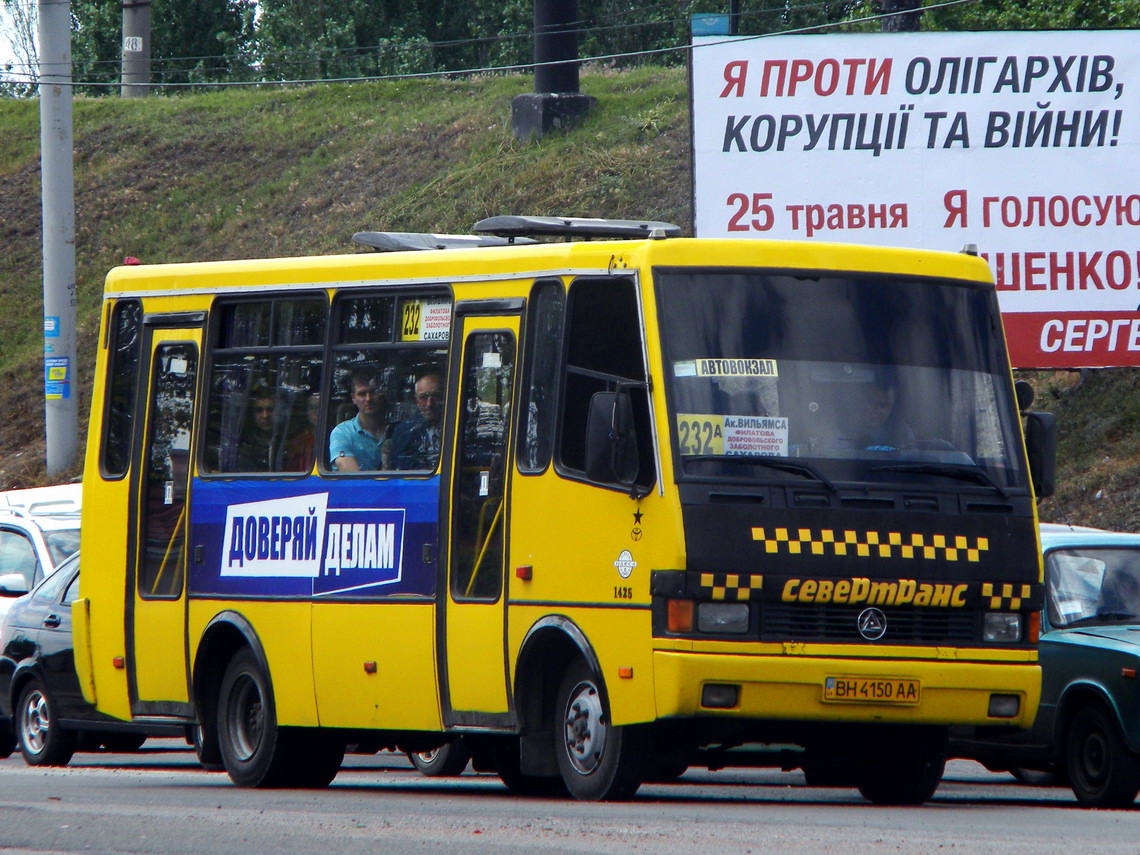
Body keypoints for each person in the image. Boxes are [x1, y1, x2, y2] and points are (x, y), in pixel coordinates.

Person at [329, 370, 390, 471]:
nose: (368, 399)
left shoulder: (396, 431)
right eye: (362, 394)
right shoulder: (342, 433)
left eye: (373, 392)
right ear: (353, 398)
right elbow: (352, 477)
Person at [392, 367, 444, 470]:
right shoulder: (404, 432)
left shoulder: (456, 427)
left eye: (435, 396)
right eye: (423, 397)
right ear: (416, 400)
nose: (429, 404)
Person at [236, 390, 281, 471]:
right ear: (252, 413)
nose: (265, 416)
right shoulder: (244, 444)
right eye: (259, 410)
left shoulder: (290, 442)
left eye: (270, 409)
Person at [285, 392, 320, 472]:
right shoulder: (298, 443)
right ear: (307, 411)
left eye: (321, 408)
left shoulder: (338, 437)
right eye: (313, 408)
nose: (317, 413)